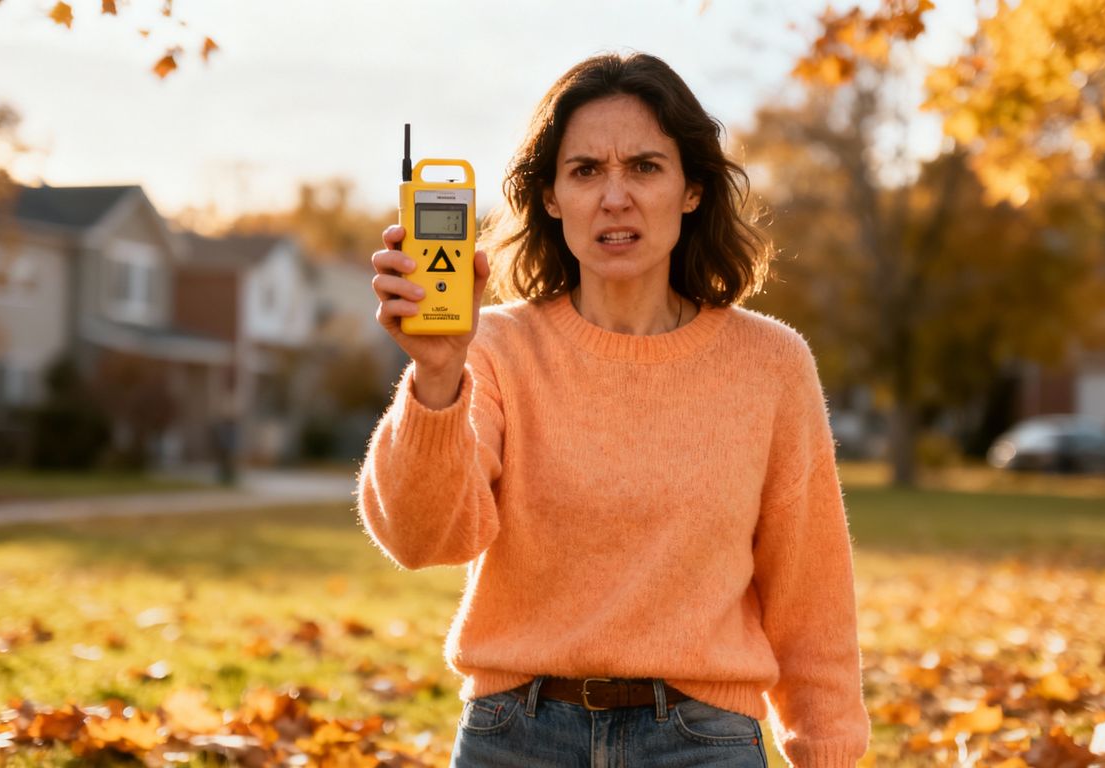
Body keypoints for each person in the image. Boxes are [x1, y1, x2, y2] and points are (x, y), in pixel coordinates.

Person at [359, 52, 869, 767]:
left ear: (692, 189)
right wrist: (438, 373)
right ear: (551, 197)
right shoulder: (495, 346)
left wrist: (829, 756)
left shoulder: (771, 364)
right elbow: (423, 539)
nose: (615, 196)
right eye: (586, 170)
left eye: (645, 167)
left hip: (706, 743)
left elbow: (810, 603)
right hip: (517, 737)